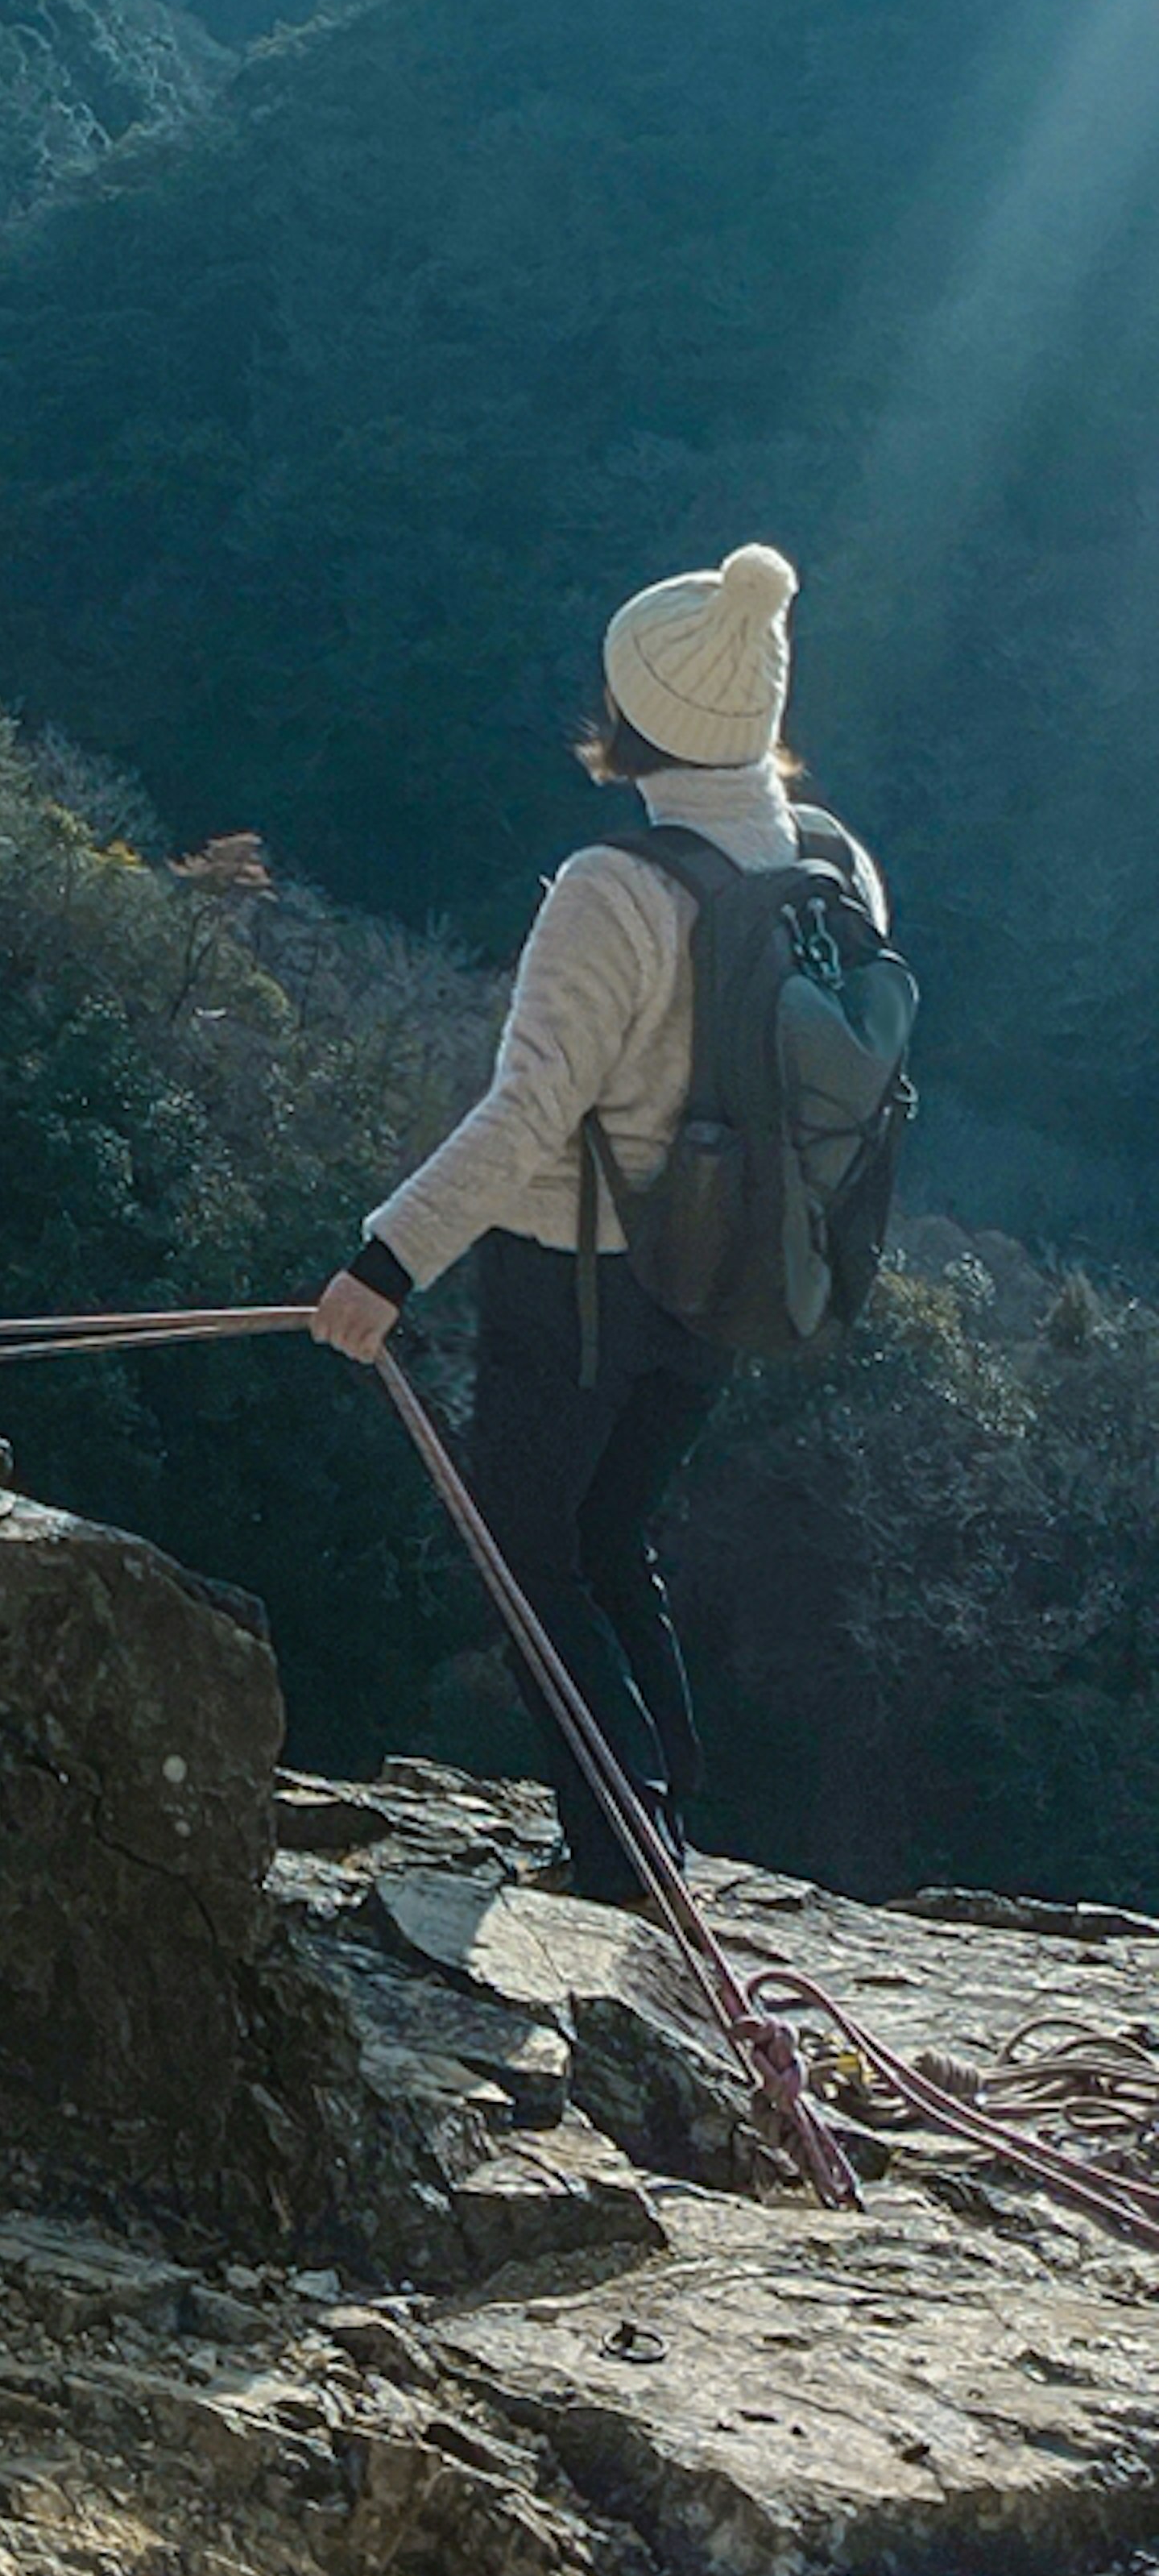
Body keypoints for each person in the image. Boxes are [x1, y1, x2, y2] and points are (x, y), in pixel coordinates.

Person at [308, 541, 885, 1902]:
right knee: (612, 1524)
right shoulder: (840, 864)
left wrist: (383, 1262)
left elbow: (529, 1114)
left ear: (629, 717)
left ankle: (627, 1854)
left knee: (527, 1550)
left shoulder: (613, 892)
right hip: (741, 1266)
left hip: (579, 1277)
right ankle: (659, 1801)